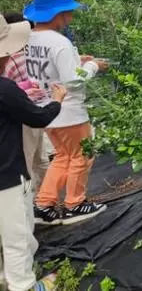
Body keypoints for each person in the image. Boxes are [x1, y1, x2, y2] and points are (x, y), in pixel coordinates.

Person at [23, 0, 108, 225]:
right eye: (68, 11)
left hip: (47, 110)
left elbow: (52, 68)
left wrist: (76, 59)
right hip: (70, 111)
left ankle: (43, 205)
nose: (71, 16)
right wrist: (93, 66)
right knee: (82, 156)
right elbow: (72, 78)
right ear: (57, 14)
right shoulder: (59, 42)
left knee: (62, 156)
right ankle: (75, 204)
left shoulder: (30, 39)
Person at [0, 14, 66, 291]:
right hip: (7, 176)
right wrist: (57, 101)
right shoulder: (4, 88)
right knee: (17, 237)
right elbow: (36, 117)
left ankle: (4, 278)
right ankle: (25, 286)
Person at [1, 13, 50, 193]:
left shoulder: (18, 57)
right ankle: (42, 201)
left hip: (29, 111)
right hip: (28, 112)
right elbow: (8, 90)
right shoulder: (19, 58)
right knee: (33, 160)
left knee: (36, 159)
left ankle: (44, 200)